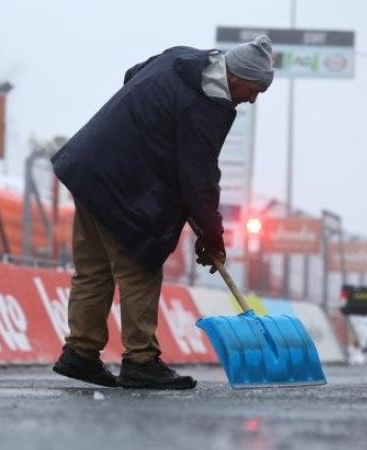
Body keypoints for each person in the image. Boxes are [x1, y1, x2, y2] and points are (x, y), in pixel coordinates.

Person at [50, 36, 274, 389]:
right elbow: (198, 178)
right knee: (139, 268)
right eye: (254, 89)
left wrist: (148, 132)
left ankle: (80, 352)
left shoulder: (181, 58)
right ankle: (141, 360)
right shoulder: (208, 105)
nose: (252, 99)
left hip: (90, 164)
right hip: (122, 184)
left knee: (92, 270)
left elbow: (132, 74)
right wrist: (212, 237)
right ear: (236, 77)